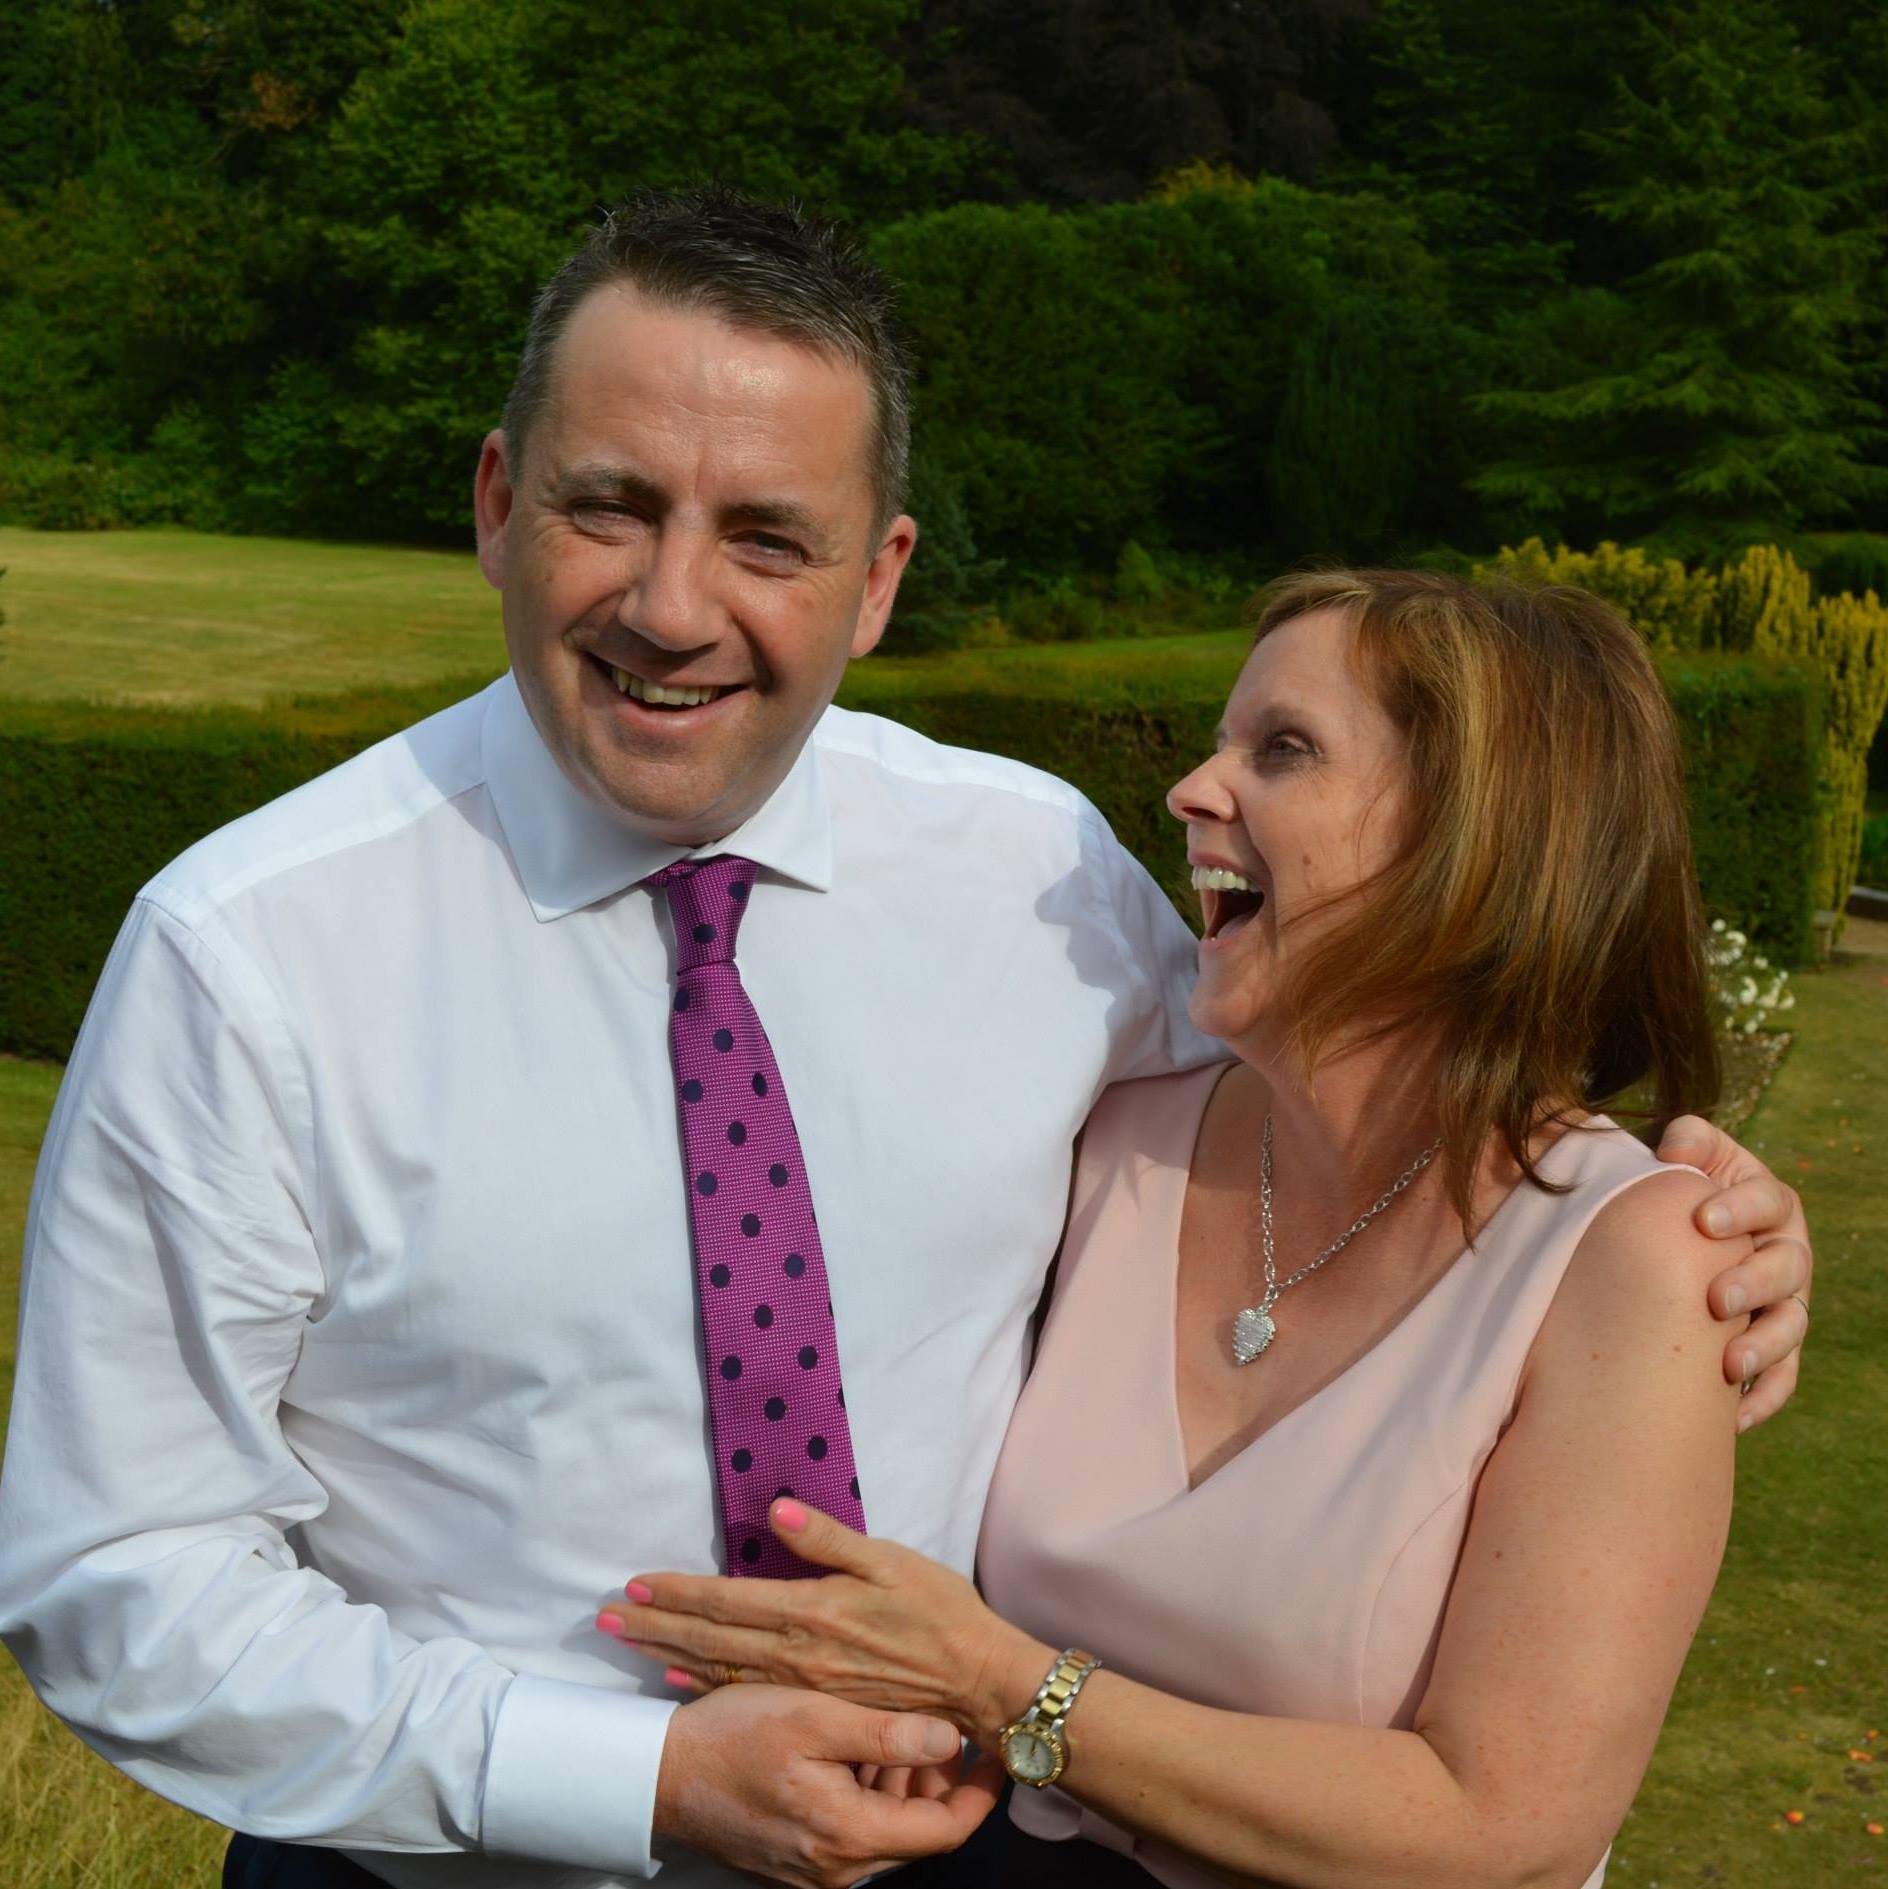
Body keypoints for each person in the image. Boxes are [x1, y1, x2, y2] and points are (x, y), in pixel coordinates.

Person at [0, 190, 1809, 1889]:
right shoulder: (249, 958)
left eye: (768, 537)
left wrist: (1682, 1232)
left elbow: (1374, 1061)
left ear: (878, 580)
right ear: (494, 498)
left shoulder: (1031, 877)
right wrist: (619, 1777)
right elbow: (117, 1574)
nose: (673, 605)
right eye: (609, 505)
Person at [597, 568, 1798, 1889]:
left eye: (1282, 749)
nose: (1191, 788)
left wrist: (1003, 1682)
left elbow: (1504, 1824)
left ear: (1480, 835)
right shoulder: (1119, 1130)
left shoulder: (1636, 1260)